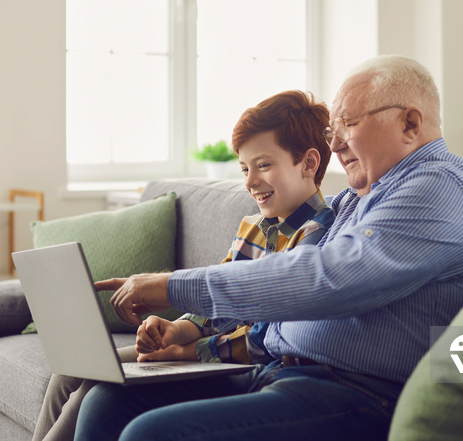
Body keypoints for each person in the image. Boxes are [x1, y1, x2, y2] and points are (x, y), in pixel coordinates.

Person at [76, 55, 463, 441]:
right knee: (109, 401)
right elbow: (281, 274)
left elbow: (324, 277)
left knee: (153, 434)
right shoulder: (362, 199)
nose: (335, 143)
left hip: (360, 394)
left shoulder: (437, 188)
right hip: (284, 373)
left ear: (410, 125)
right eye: (331, 130)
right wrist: (190, 327)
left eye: (349, 125)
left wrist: (172, 286)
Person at [31, 89, 334, 440]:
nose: (250, 181)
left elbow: (268, 337)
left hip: (244, 367)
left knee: (94, 394)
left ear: (309, 163)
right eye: (245, 168)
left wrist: (187, 351)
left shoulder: (318, 236)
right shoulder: (252, 227)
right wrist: (175, 328)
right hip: (209, 353)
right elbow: (216, 308)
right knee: (69, 373)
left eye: (263, 165)